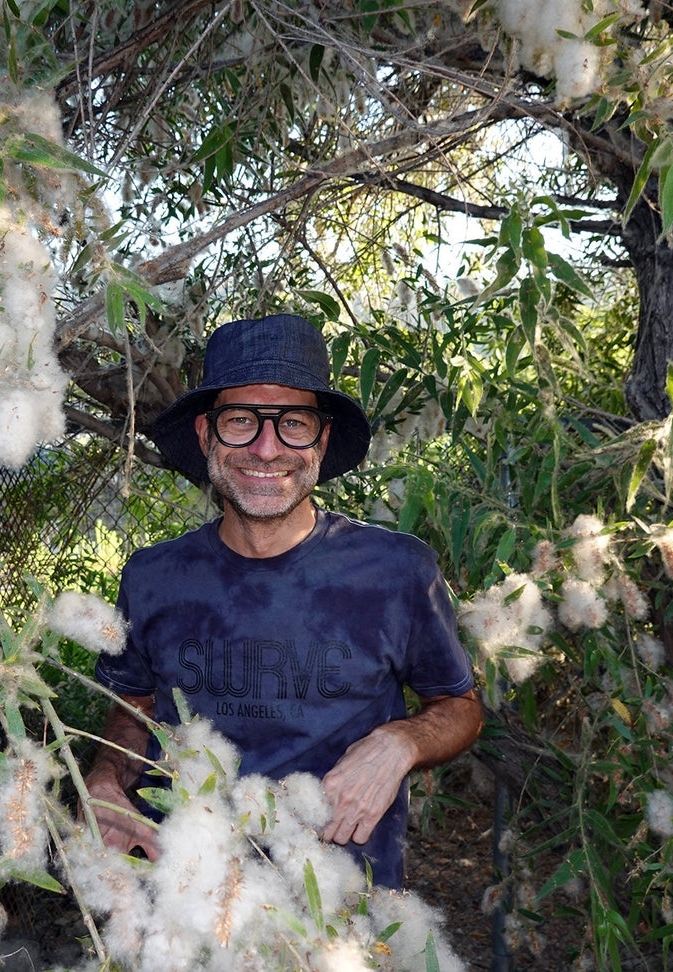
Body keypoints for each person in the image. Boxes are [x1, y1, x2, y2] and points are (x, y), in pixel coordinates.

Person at [85, 313, 481, 888]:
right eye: (241, 421)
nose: (267, 449)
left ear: (321, 439)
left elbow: (461, 709)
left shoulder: (397, 571)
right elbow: (133, 705)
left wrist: (401, 741)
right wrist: (106, 779)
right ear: (205, 435)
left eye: (293, 423)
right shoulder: (153, 577)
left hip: (340, 903)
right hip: (180, 895)